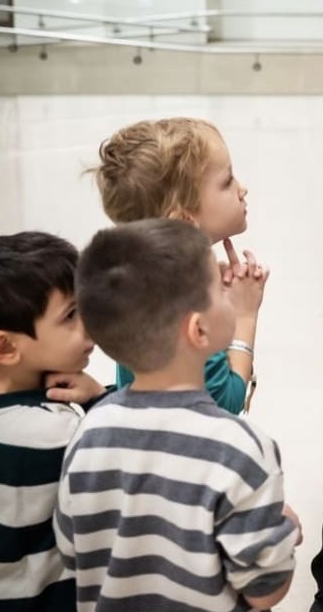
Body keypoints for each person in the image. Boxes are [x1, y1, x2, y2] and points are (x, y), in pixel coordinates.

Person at [57, 219, 300, 612]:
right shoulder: (240, 449)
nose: (229, 289)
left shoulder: (86, 434)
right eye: (219, 289)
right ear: (198, 329)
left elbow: (71, 550)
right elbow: (264, 588)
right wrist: (284, 529)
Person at [0, 232, 108, 612]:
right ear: (4, 348)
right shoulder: (53, 434)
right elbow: (130, 453)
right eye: (71, 314)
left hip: (8, 608)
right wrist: (100, 400)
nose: (91, 320)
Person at [91, 117, 266, 414]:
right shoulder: (187, 303)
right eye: (226, 181)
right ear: (184, 220)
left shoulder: (136, 275)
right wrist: (245, 314)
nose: (242, 188)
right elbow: (222, 403)